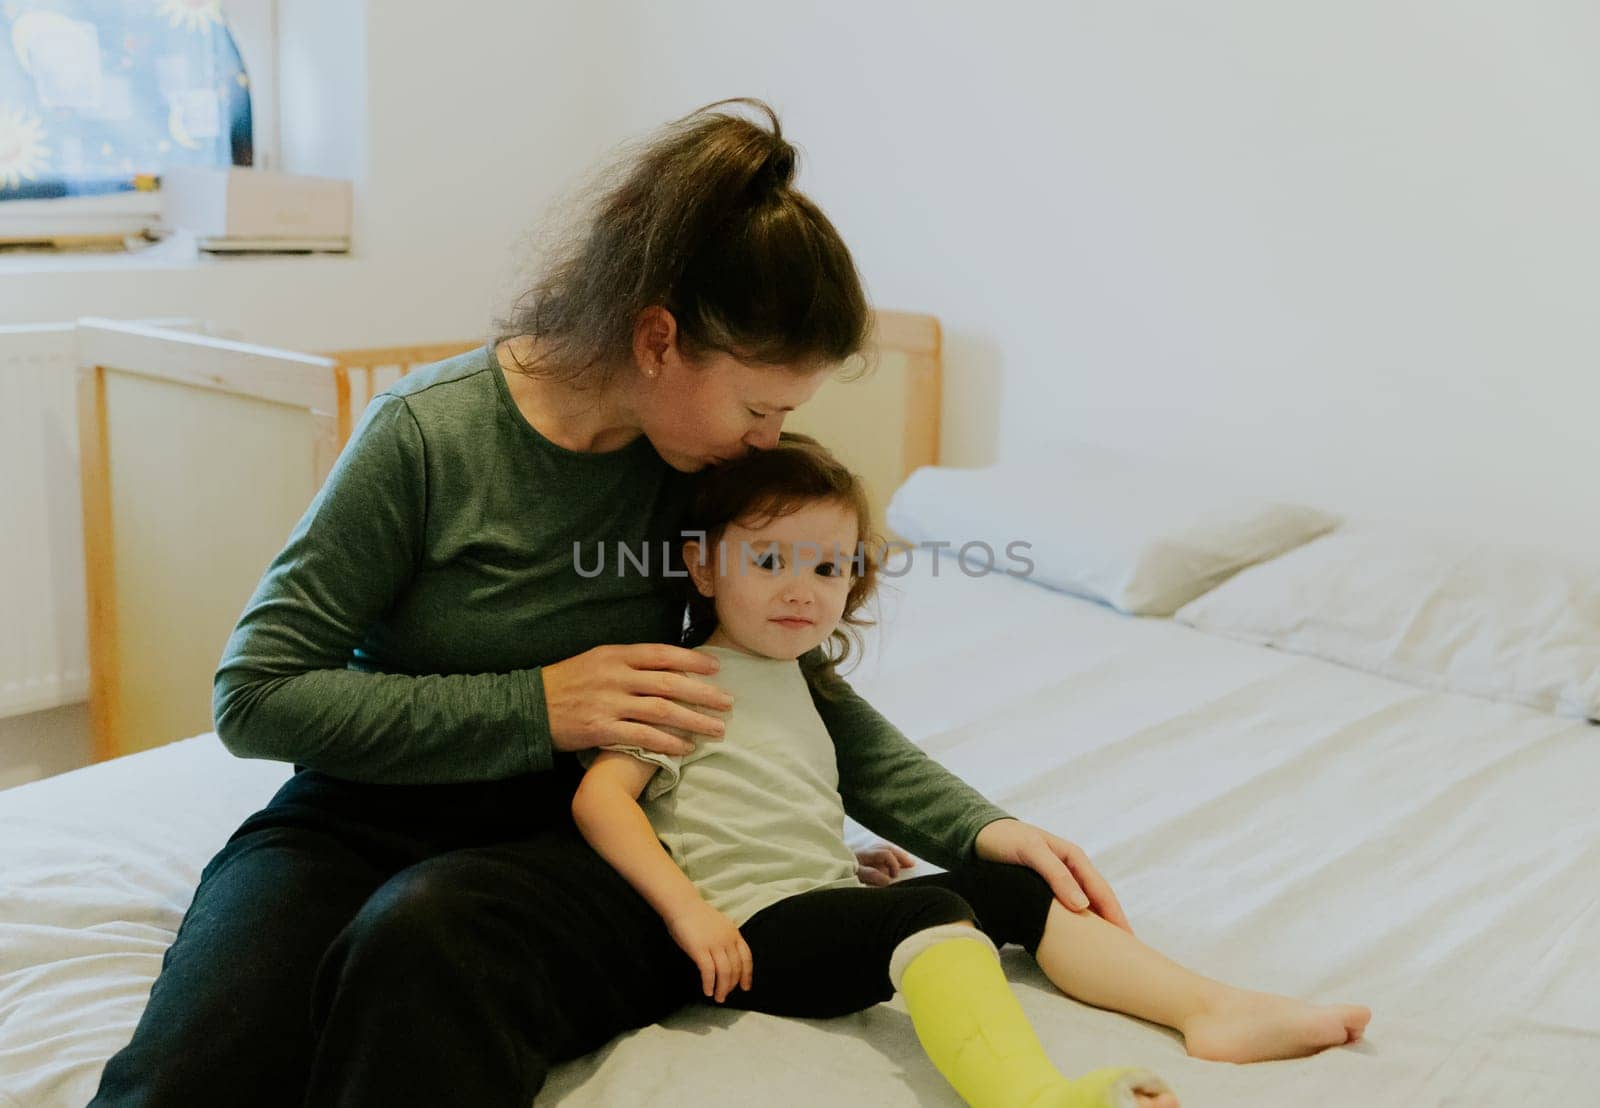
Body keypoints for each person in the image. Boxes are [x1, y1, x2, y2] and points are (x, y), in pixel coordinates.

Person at [86, 97, 1122, 1107]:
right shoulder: (427, 438)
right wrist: (536, 704)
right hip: (361, 809)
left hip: (580, 833)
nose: (766, 439)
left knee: (428, 939)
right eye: (758, 405)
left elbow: (789, 688)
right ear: (658, 338)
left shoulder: (699, 471)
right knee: (194, 1069)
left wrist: (982, 828)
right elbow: (255, 696)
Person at [573, 435, 1374, 1108]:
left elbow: (745, 801)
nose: (801, 591)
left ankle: (1211, 1009)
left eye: (828, 570)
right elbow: (603, 799)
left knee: (1016, 884)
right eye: (770, 559)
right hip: (748, 940)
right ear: (704, 567)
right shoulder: (679, 678)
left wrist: (841, 860)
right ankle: (1030, 1095)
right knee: (927, 910)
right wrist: (688, 914)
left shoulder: (799, 679)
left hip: (814, 903)